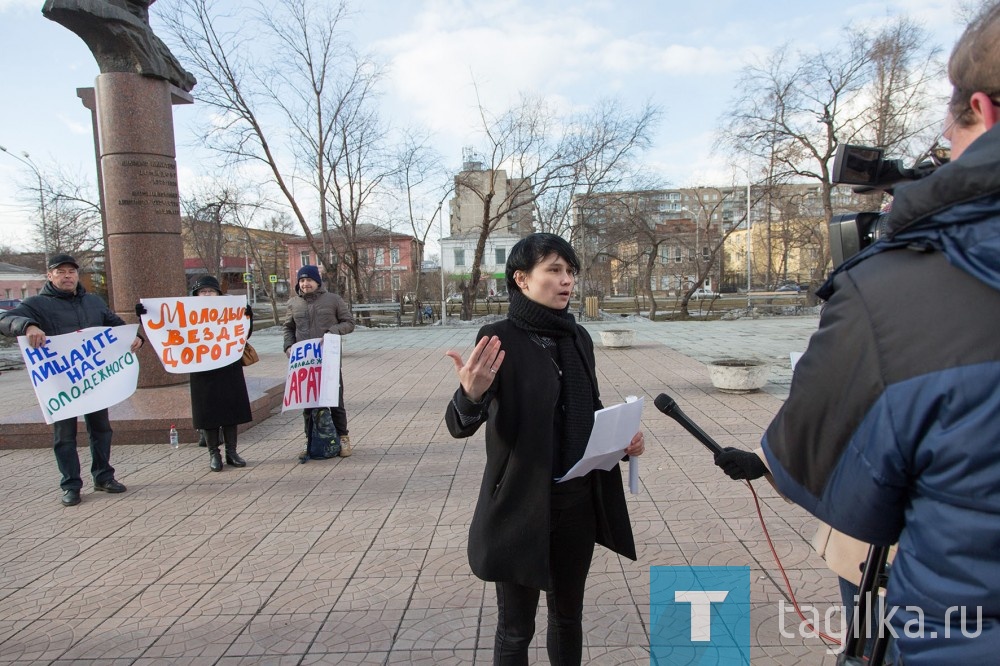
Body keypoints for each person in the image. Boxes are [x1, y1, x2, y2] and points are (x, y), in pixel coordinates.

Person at [757, 5, 1000, 664]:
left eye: (949, 134)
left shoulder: (898, 293)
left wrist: (884, 278)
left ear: (984, 109)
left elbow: (812, 473)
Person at [444, 233, 645, 665]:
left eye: (570, 271)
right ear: (521, 279)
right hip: (521, 504)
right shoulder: (499, 338)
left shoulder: (577, 338)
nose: (566, 280)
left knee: (568, 617)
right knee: (516, 630)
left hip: (576, 502)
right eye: (553, 270)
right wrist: (472, 395)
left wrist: (622, 443)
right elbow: (459, 425)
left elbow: (586, 412)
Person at [715, 447, 898, 664]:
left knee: (903, 647)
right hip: (856, 541)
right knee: (863, 648)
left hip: (913, 551)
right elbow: (829, 426)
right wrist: (765, 460)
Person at [0, 254, 143, 506]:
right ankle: (71, 485)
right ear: (50, 275)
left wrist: (136, 337)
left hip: (94, 380)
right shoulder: (37, 304)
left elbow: (117, 327)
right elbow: (4, 319)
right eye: (61, 271)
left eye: (71, 271)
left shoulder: (93, 302)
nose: (67, 276)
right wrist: (28, 326)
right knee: (64, 436)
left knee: (101, 429)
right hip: (61, 384)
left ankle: (103, 476)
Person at [282, 265, 355, 458]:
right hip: (305, 362)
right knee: (308, 403)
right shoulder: (294, 303)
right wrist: (288, 346)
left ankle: (343, 438)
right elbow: (288, 328)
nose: (305, 284)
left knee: (335, 401)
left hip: (328, 360)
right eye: (302, 280)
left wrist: (332, 331)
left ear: (317, 281)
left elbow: (349, 323)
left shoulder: (333, 300)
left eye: (309, 280)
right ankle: (311, 440)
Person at [184, 275, 253, 472]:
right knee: (208, 412)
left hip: (228, 366)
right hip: (201, 368)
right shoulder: (186, 313)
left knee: (230, 410)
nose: (207, 295)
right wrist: (145, 315)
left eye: (211, 291)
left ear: (218, 293)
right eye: (203, 292)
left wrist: (247, 315)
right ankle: (214, 454)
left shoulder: (228, 310)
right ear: (196, 295)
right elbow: (168, 328)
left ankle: (232, 452)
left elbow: (244, 333)